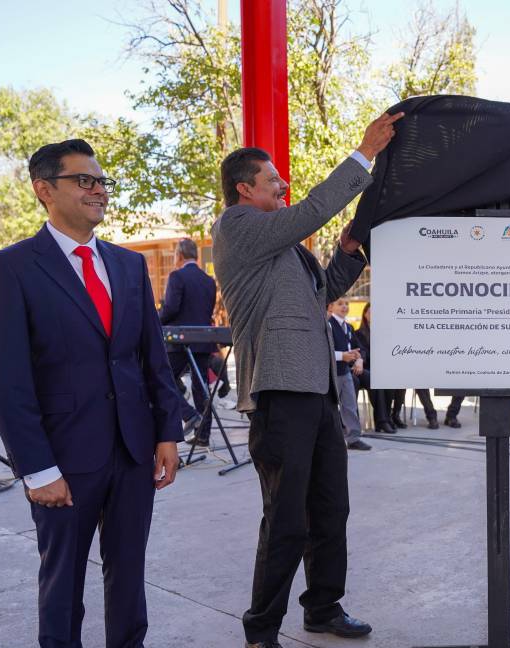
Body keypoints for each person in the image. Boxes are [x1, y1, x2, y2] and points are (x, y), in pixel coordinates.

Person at [0, 139, 183, 648]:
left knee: (129, 575)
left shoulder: (128, 265)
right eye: (84, 180)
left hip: (134, 451)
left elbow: (150, 358)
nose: (98, 190)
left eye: (101, 181)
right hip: (63, 459)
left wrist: (167, 432)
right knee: (64, 582)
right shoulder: (12, 267)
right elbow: (3, 377)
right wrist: (37, 467)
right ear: (44, 190)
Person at [211, 110, 402, 648]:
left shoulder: (287, 251)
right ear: (244, 188)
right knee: (286, 519)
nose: (283, 185)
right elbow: (313, 209)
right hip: (279, 395)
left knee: (329, 508)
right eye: (273, 180)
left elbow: (322, 297)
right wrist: (364, 153)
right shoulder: (237, 227)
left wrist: (346, 255)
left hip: (316, 392)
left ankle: (323, 607)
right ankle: (262, 629)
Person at [159, 237, 218, 446]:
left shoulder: (177, 276)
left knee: (161, 379)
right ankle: (203, 435)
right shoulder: (209, 280)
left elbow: (171, 308)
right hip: (203, 339)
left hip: (180, 340)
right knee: (201, 386)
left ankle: (190, 415)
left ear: (180, 255)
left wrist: (154, 320)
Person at [328, 298, 371, 450]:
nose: (344, 306)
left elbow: (357, 349)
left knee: (350, 406)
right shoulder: (327, 326)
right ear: (331, 307)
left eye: (346, 303)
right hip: (331, 374)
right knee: (329, 409)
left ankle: (353, 438)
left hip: (345, 372)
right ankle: (328, 440)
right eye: (340, 303)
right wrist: (342, 356)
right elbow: (322, 351)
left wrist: (359, 360)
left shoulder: (348, 327)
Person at [353, 302, 394, 434]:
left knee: (392, 380)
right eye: (371, 312)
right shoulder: (359, 333)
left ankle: (388, 418)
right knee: (377, 379)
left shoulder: (384, 332)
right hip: (367, 366)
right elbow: (362, 352)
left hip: (382, 367)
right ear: (365, 315)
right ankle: (383, 421)